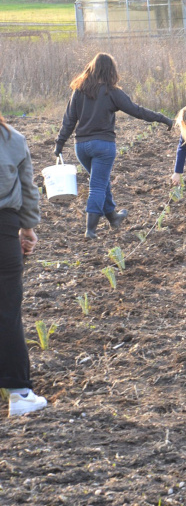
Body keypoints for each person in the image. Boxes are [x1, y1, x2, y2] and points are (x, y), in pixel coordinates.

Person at [55, 53, 173, 239]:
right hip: (103, 146)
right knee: (97, 186)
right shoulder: (112, 92)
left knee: (100, 182)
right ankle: (90, 230)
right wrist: (164, 118)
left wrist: (60, 143)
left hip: (82, 147)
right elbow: (137, 111)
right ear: (111, 70)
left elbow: (69, 120)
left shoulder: (79, 90)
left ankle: (113, 217)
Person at [0, 114, 46, 416]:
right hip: (4, 230)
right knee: (7, 311)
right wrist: (28, 229)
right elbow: (28, 189)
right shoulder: (11, 139)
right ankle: (19, 394)